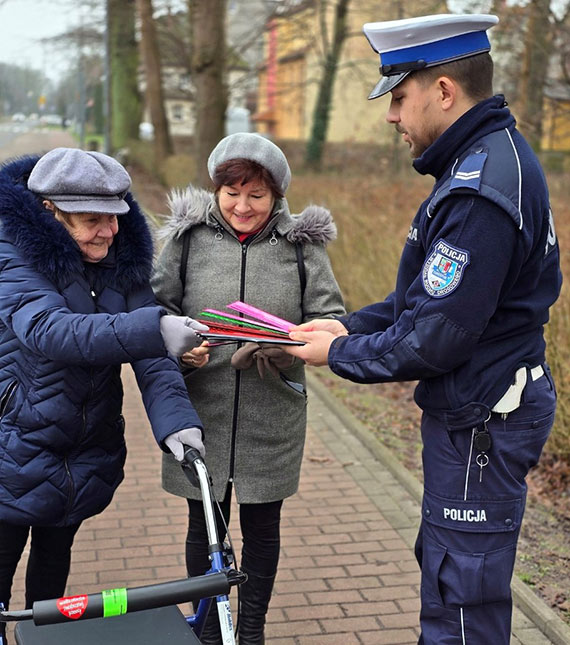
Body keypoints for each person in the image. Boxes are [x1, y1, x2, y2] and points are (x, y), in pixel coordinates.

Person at [284, 13, 562, 645]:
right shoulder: (484, 162)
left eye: (399, 98)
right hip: (481, 410)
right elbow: (422, 300)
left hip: (482, 423)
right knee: (452, 575)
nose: (390, 117)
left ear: (444, 91)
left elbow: (436, 337)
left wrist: (342, 353)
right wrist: (346, 325)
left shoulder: (477, 190)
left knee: (459, 597)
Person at [151, 132, 345, 644]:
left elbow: (331, 316)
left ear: (277, 195)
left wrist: (293, 344)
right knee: (204, 526)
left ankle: (251, 628)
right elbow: (157, 310)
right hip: (201, 404)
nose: (243, 205)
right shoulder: (187, 239)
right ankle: (211, 628)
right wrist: (177, 347)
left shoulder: (302, 245)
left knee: (262, 528)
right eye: (232, 192)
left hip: (272, 405)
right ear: (216, 189)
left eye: (257, 195)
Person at [0, 147, 210, 617]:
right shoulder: (12, 251)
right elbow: (50, 331)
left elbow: (153, 358)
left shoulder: (121, 258)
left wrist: (178, 423)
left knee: (52, 580)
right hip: (11, 444)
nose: (110, 231)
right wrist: (154, 328)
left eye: (115, 217)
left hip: (81, 448)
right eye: (94, 219)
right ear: (51, 213)